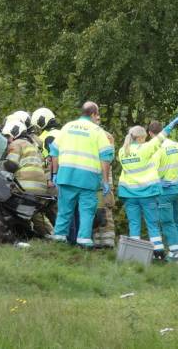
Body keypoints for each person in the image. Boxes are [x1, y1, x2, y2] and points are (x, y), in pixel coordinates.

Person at [49, 102, 114, 248]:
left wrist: (54, 173)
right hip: (88, 178)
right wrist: (105, 181)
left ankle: (59, 238)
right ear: (93, 114)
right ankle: (84, 240)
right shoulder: (98, 131)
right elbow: (106, 157)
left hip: (66, 175)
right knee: (87, 211)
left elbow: (54, 152)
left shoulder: (67, 127)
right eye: (97, 114)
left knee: (65, 209)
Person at [117, 115, 178, 257]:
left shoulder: (122, 151)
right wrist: (172, 124)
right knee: (152, 224)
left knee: (134, 224)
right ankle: (158, 251)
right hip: (147, 193)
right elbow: (160, 137)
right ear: (141, 137)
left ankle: (133, 253)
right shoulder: (145, 149)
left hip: (129, 193)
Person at [2, 119, 53, 236]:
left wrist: (0, 165)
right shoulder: (33, 146)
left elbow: (12, 164)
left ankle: (19, 233)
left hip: (25, 185)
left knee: (11, 205)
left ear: (14, 133)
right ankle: (51, 234)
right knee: (35, 212)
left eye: (7, 136)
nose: (7, 140)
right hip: (41, 186)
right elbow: (45, 167)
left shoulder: (16, 144)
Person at [148, 121, 178, 260]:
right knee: (177, 220)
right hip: (176, 189)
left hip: (164, 190)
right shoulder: (174, 145)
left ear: (150, 133)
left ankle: (174, 253)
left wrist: (158, 182)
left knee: (167, 222)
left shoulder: (156, 148)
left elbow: (152, 170)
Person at [93, 131, 117, 248]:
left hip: (104, 183)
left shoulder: (105, 136)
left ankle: (108, 242)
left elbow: (108, 158)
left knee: (106, 212)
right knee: (96, 212)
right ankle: (97, 242)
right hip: (97, 183)